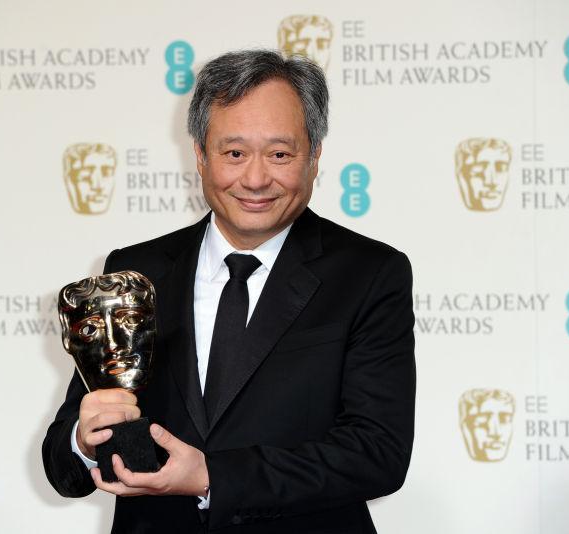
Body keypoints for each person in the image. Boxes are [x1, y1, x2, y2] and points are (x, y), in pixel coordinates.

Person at [43, 49, 415, 533]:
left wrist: (213, 478)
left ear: (316, 156)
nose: (256, 179)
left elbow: (377, 454)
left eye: (280, 154)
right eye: (234, 153)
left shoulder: (370, 273)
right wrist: (82, 439)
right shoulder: (137, 272)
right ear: (199, 155)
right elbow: (64, 468)